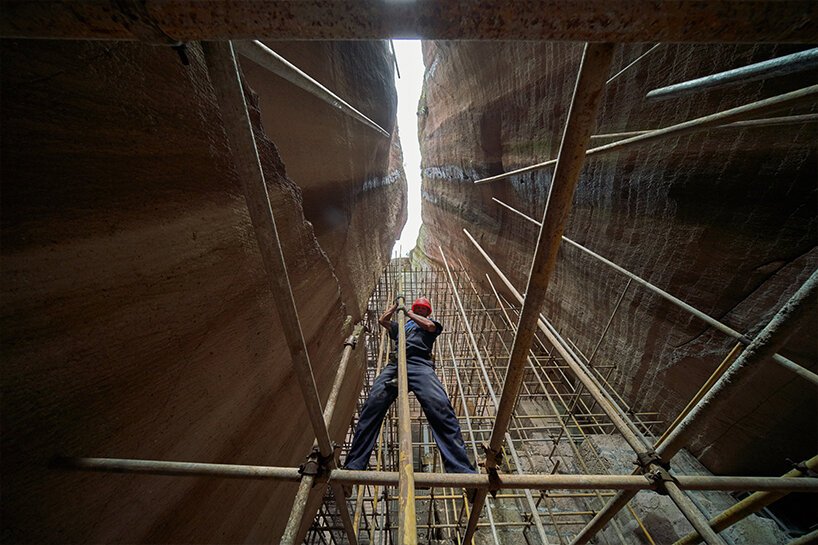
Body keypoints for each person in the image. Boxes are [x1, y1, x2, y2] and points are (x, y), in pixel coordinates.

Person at [344, 296, 476, 478]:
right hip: (395, 365)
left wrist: (408, 313)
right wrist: (395, 306)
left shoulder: (430, 324)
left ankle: (461, 470)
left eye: (423, 309)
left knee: (440, 407)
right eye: (418, 308)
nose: (420, 310)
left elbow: (429, 326)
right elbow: (383, 321)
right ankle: (354, 466)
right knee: (372, 406)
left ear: (427, 312)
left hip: (420, 364)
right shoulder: (403, 326)